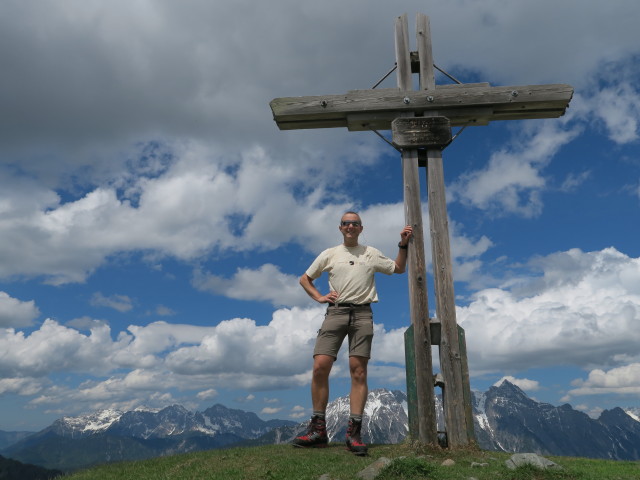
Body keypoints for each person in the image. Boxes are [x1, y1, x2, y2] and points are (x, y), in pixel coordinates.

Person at [292, 211, 413, 455]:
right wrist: (319, 297)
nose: (350, 226)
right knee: (320, 366)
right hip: (335, 313)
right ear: (340, 228)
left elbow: (399, 268)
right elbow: (305, 279)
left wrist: (402, 244)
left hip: (362, 315)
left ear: (361, 228)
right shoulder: (329, 254)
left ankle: (354, 433)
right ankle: (318, 431)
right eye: (346, 223)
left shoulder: (371, 253)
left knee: (358, 371)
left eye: (354, 224)